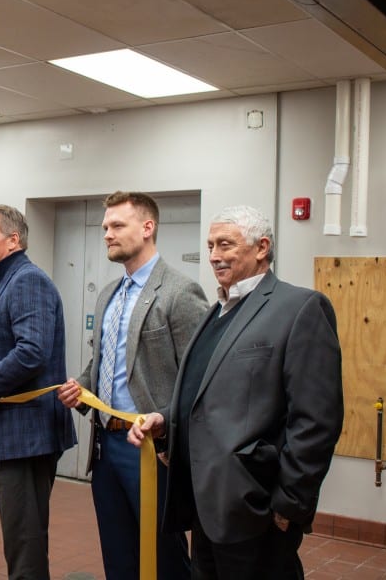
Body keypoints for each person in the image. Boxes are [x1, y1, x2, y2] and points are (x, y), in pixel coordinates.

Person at [129, 205, 344, 580]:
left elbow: (317, 419)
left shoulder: (299, 308)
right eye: (211, 245)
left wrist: (289, 505)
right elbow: (205, 393)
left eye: (225, 244)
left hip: (256, 510)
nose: (214, 255)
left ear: (261, 247)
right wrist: (166, 419)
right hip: (206, 505)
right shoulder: (219, 311)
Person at [57, 192, 207, 579]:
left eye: (117, 226)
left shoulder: (179, 291)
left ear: (147, 227)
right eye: (105, 227)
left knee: (164, 559)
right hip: (106, 447)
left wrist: (168, 424)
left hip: (152, 451)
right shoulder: (108, 294)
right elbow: (105, 361)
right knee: (118, 554)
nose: (107, 234)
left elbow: (201, 379)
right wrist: (82, 387)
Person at [0, 205, 77, 579]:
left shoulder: (26, 280)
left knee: (24, 547)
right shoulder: (6, 280)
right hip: (14, 436)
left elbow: (31, 352)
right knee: (21, 542)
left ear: (14, 240)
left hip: (27, 436)